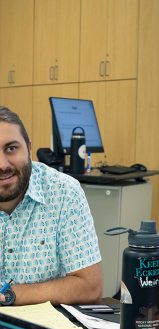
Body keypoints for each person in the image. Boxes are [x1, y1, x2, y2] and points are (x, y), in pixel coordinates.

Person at [0, 106, 102, 305]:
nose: (2, 165)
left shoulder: (64, 192)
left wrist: (9, 296)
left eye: (11, 148)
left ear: (29, 149)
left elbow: (90, 286)